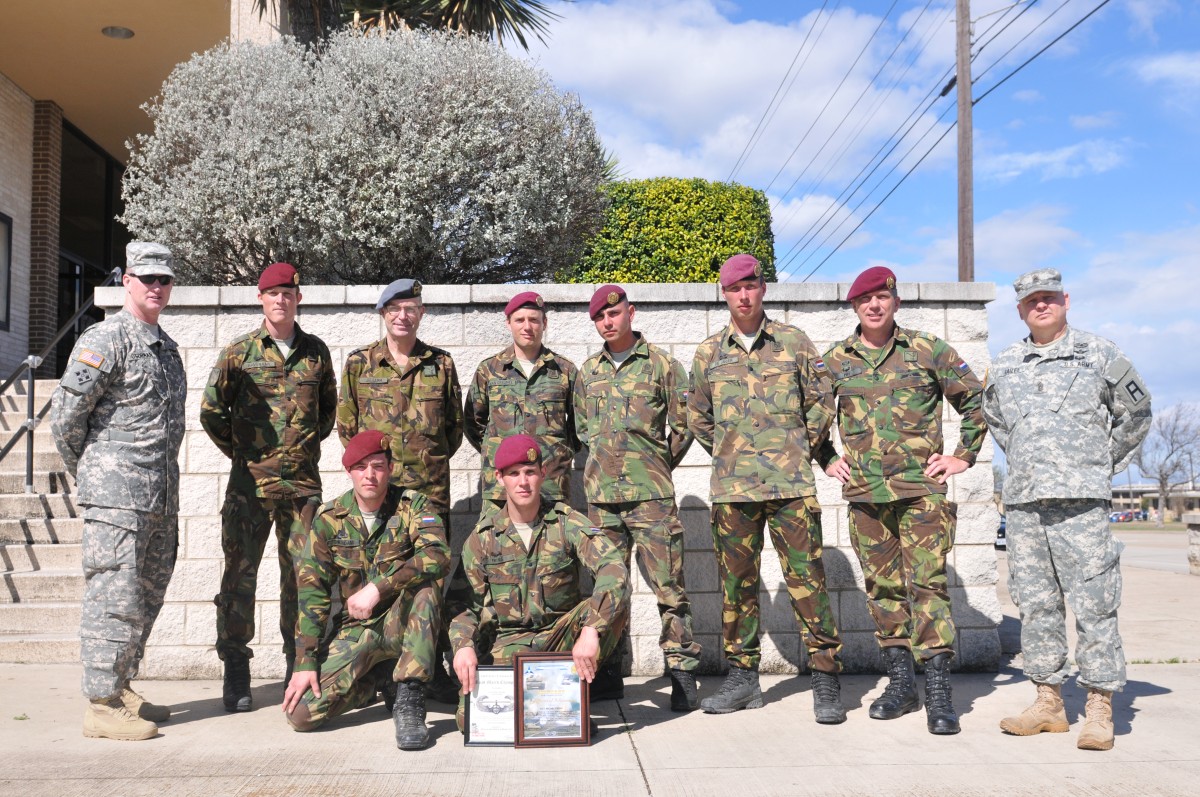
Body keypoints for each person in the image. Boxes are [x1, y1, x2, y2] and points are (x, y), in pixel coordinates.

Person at [983, 268, 1151, 752]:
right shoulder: (1008, 362)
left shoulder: (1099, 353)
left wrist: (1101, 463)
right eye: (1032, 300)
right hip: (1025, 502)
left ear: (1066, 299)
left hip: (1082, 503)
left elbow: (1136, 413)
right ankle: (1048, 701)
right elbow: (996, 419)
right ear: (1019, 309)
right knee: (1035, 604)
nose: (1041, 305)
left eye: (1049, 297)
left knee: (1096, 603)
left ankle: (1099, 705)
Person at [817, 266, 987, 735]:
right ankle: (900, 685)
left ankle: (938, 693)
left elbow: (975, 400)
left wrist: (962, 456)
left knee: (928, 586)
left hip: (921, 493)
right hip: (866, 497)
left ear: (895, 302)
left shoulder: (929, 350)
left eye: (882, 297)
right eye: (865, 299)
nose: (874, 306)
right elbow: (807, 414)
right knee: (883, 589)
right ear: (854, 306)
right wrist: (828, 457)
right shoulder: (835, 361)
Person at [688, 254, 846, 723]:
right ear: (724, 293)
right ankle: (742, 680)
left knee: (808, 582)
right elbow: (698, 415)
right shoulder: (708, 353)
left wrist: (798, 445)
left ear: (762, 289)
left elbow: (822, 400)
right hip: (733, 491)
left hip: (791, 486)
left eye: (751, 286)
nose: (743, 295)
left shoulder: (794, 342)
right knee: (736, 587)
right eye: (734, 288)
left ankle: (825, 679)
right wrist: (731, 451)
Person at [50, 242, 186, 741]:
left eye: (164, 280)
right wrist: (95, 476)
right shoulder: (105, 339)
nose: (156, 286)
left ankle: (122, 685)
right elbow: (66, 420)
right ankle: (100, 703)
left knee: (145, 595)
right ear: (127, 281)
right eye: (147, 278)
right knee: (114, 596)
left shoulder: (165, 347)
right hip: (117, 500)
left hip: (159, 498)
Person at [200, 262, 337, 712]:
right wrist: (246, 458)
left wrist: (296, 454)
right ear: (261, 298)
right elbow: (211, 413)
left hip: (301, 490)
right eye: (273, 293)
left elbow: (326, 416)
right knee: (240, 578)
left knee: (301, 579)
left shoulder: (316, 353)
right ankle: (236, 667)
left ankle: (295, 664)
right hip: (249, 490)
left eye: (289, 294)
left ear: (299, 299)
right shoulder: (239, 352)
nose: (281, 300)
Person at [575, 284, 701, 710]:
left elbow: (684, 426)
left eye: (614, 314)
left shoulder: (663, 365)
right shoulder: (587, 372)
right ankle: (608, 671)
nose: (608, 322)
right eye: (600, 318)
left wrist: (658, 463)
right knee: (608, 588)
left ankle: (682, 672)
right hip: (601, 500)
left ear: (631, 313)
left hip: (652, 498)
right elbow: (581, 430)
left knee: (669, 586)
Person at [336, 278, 463, 700]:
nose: (402, 315)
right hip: (381, 496)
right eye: (394, 309)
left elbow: (454, 430)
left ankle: (432, 668)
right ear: (383, 315)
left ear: (421, 312)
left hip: (428, 494)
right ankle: (390, 671)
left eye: (410, 307)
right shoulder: (359, 364)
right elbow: (348, 429)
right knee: (382, 578)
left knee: (430, 581)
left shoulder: (440, 364)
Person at [282, 430, 449, 751]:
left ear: (390, 469)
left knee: (426, 585)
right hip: (357, 631)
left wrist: (378, 587)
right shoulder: (329, 520)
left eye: (378, 466)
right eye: (361, 467)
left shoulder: (413, 506)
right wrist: (304, 663)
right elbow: (312, 594)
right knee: (301, 715)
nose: (369, 475)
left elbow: (437, 554)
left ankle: (410, 698)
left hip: (405, 624)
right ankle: (378, 679)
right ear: (349, 471)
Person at [449, 434, 629, 729]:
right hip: (509, 646)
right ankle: (562, 709)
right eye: (514, 473)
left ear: (542, 474)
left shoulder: (566, 522)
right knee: (472, 720)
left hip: (562, 639)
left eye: (530, 472)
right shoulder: (483, 539)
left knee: (614, 600)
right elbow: (461, 606)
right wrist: (462, 646)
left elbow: (613, 567)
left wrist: (591, 630)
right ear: (499, 477)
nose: (523, 482)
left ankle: (567, 702)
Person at [463, 290, 579, 513]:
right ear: (508, 323)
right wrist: (496, 451)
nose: (527, 326)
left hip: (551, 486)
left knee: (552, 547)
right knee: (498, 546)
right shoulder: (489, 370)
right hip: (501, 489)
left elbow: (580, 424)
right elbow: (472, 422)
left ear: (544, 323)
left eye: (534, 320)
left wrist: (557, 453)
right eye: (520, 320)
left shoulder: (564, 370)